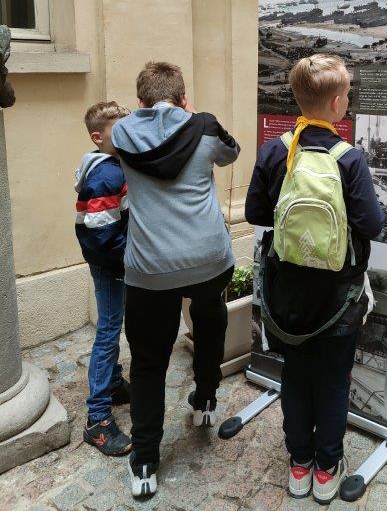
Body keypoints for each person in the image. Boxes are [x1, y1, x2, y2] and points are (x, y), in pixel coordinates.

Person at [245, 53, 384, 505]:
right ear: (339, 102)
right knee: (334, 380)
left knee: (296, 376)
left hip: (288, 294)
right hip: (338, 298)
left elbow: (254, 214)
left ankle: (299, 463)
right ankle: (327, 470)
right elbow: (372, 225)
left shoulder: (276, 149)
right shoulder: (349, 159)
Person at [111, 61, 240, 498]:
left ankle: (145, 461)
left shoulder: (122, 133)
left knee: (148, 361)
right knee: (208, 324)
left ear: (141, 102)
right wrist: (191, 117)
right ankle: (205, 401)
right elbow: (233, 151)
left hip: (150, 267)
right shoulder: (203, 126)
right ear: (183, 97)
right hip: (207, 258)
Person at [75, 101, 132, 457]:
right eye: (118, 131)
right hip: (110, 265)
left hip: (114, 261)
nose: (127, 135)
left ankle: (111, 384)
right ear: (98, 138)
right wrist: (131, 253)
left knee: (113, 326)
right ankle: (97, 419)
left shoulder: (113, 166)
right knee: (108, 332)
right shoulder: (105, 175)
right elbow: (100, 234)